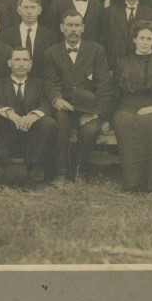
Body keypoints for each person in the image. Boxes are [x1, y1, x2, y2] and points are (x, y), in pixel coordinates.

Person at [103, 21, 152, 195]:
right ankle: (133, 183)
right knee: (125, 122)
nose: (145, 42)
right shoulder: (122, 63)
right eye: (141, 38)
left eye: (149, 39)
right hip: (126, 105)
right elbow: (115, 93)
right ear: (134, 39)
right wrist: (106, 118)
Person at [43, 10, 113, 183]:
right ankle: (61, 173)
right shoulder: (52, 52)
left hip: (90, 109)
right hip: (64, 107)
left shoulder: (96, 50)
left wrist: (95, 113)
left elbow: (104, 86)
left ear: (83, 28)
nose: (73, 29)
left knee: (91, 131)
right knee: (60, 124)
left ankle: (78, 169)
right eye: (69, 25)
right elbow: (50, 83)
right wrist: (57, 99)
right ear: (62, 28)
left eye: (77, 25)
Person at [0, 48, 57, 185]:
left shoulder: (40, 84)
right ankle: (0, 166)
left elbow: (47, 104)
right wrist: (9, 113)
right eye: (17, 60)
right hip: (6, 132)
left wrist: (34, 115)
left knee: (48, 122)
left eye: (25, 60)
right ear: (9, 63)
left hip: (32, 133)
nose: (21, 64)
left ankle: (35, 168)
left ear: (30, 64)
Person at [1, 0, 54, 78]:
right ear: (19, 11)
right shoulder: (6, 35)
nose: (29, 12)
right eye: (25, 7)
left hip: (41, 80)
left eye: (33, 7)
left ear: (39, 10)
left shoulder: (51, 36)